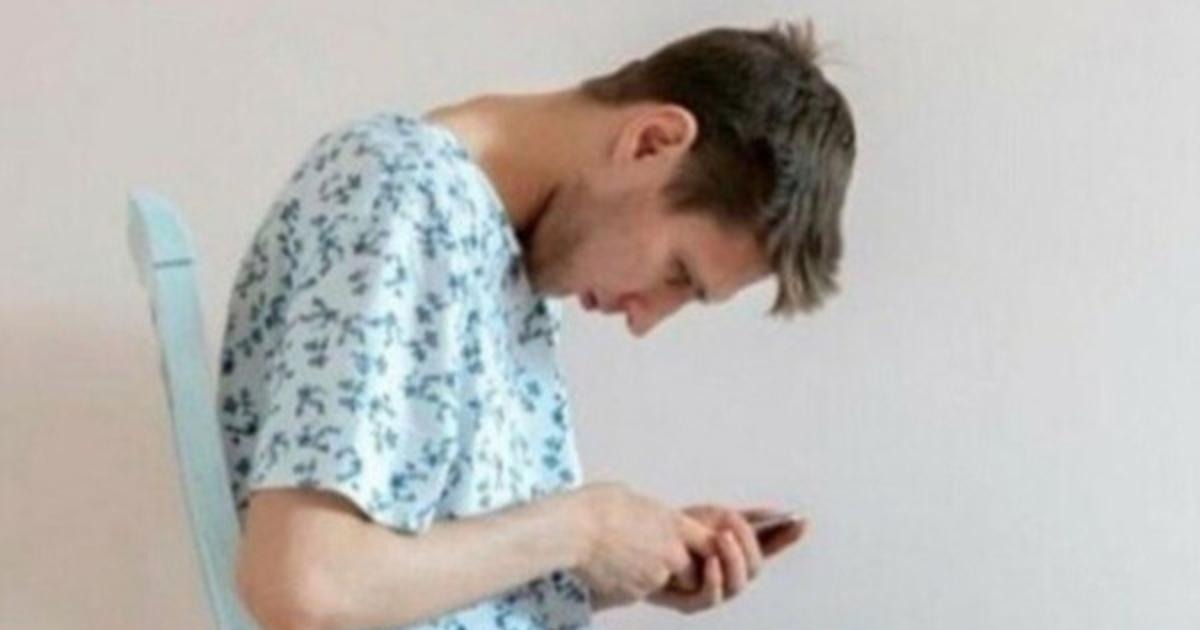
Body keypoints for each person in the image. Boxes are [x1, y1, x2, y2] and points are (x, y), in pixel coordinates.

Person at [219, 17, 856, 630]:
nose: (644, 320)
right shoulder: (406, 196)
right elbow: (304, 585)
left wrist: (618, 559)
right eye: (677, 273)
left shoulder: (505, 251)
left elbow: (409, 576)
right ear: (652, 142)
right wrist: (583, 529)